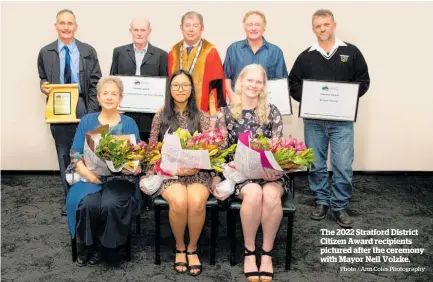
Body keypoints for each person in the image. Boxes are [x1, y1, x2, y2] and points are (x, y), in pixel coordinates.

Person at [288, 9, 370, 228]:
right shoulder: (306, 56)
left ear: (334, 25)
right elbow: (292, 83)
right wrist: (310, 100)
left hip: (342, 121)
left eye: (326, 24)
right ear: (313, 28)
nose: (322, 29)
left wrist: (347, 99)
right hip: (313, 121)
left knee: (343, 164)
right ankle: (322, 201)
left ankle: (340, 205)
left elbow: (364, 80)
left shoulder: (351, 53)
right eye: (318, 26)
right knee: (316, 163)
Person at [214, 64, 287, 282]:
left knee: (272, 195)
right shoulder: (225, 114)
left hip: (270, 174)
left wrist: (274, 168)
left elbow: (279, 149)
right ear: (241, 81)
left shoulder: (272, 111)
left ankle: (266, 254)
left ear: (263, 86)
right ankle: (249, 252)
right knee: (254, 193)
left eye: (259, 82)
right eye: (250, 80)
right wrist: (216, 177)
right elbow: (219, 152)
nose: (253, 85)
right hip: (241, 175)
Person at [65, 76, 142, 266]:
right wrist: (89, 175)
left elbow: (137, 155)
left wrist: (134, 166)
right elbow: (75, 154)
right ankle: (88, 244)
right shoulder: (87, 121)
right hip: (90, 177)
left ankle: (105, 246)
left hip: (120, 179)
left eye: (114, 94)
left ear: (120, 98)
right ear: (98, 97)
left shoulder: (129, 123)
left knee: (111, 204)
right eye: (105, 93)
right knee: (88, 204)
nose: (109, 97)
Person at [143, 70, 211, 276]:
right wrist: (153, 170)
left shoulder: (202, 116)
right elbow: (152, 149)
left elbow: (211, 149)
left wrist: (197, 166)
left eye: (185, 85)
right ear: (169, 89)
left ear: (192, 89)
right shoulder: (160, 115)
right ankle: (180, 246)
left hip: (197, 172)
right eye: (176, 85)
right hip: (169, 174)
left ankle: (193, 248)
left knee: (197, 201)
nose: (180, 90)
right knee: (180, 201)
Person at [37, 9, 102, 216]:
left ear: (76, 26)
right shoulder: (45, 52)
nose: (66, 27)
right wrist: (43, 86)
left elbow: (95, 83)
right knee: (64, 153)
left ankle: (89, 196)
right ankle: (70, 198)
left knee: (88, 151)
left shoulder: (88, 51)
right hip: (58, 108)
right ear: (56, 26)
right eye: (62, 23)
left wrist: (92, 113)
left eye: (70, 23)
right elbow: (43, 78)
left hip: (82, 104)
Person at [110, 16, 168, 142]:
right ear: (130, 31)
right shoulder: (119, 52)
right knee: (125, 154)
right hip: (124, 114)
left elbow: (165, 86)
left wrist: (162, 105)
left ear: (149, 31)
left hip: (151, 117)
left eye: (143, 30)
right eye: (136, 30)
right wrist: (115, 105)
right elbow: (112, 82)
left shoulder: (161, 55)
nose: (139, 33)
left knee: (149, 155)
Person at [168, 11, 226, 116]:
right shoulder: (174, 52)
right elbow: (169, 85)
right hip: (175, 113)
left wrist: (213, 115)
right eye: (187, 25)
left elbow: (216, 88)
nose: (191, 29)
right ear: (181, 28)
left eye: (195, 26)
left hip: (202, 114)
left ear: (202, 29)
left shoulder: (210, 52)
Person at [223, 10, 288, 102]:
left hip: (265, 105)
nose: (253, 28)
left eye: (257, 25)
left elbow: (280, 82)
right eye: (250, 25)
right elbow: (226, 77)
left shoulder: (276, 52)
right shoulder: (233, 49)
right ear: (244, 27)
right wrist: (231, 96)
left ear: (264, 27)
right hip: (238, 104)